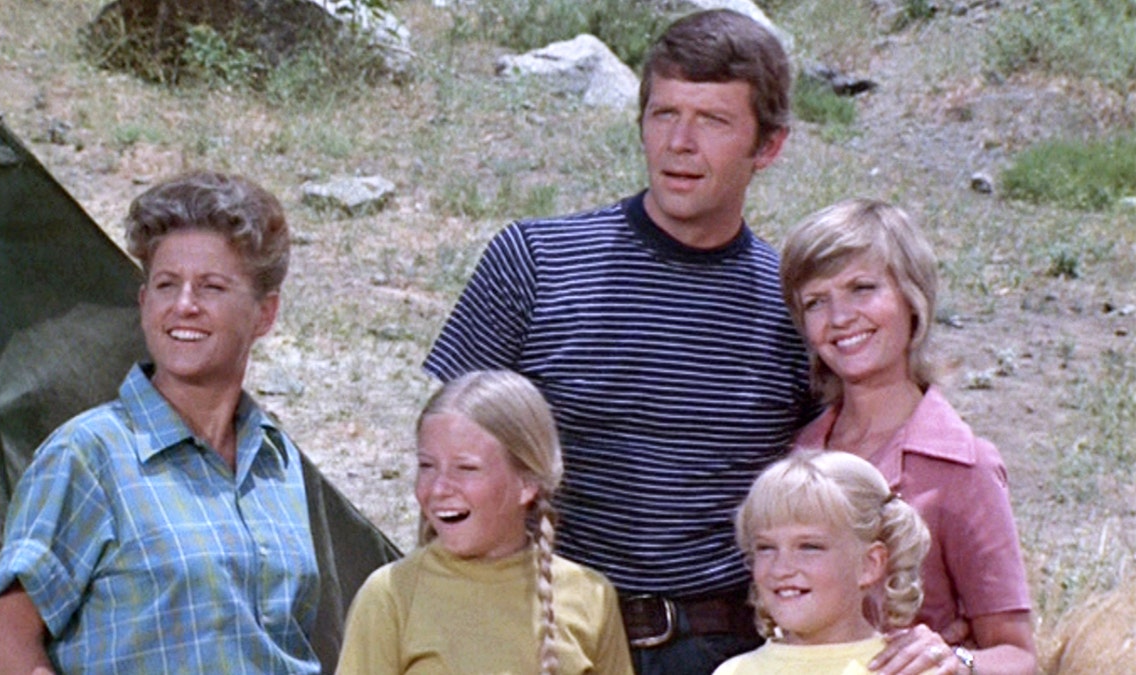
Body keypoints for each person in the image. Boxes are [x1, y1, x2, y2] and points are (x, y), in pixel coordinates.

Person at [422, 9, 815, 674]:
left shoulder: (796, 307)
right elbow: (447, 469)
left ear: (768, 145)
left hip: (724, 646)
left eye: (713, 120)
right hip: (544, 631)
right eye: (664, 114)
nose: (679, 143)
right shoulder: (535, 261)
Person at [0, 171, 322, 674]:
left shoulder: (277, 460)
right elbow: (6, 643)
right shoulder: (89, 454)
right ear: (144, 306)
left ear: (264, 315)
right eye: (166, 285)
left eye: (211, 286)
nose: (184, 305)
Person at [779, 198, 1038, 675]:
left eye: (862, 289)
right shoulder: (799, 457)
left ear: (911, 299)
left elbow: (1018, 655)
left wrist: (955, 661)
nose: (840, 317)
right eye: (816, 301)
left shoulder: (963, 467)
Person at [335, 370, 633, 675]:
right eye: (427, 466)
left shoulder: (592, 597)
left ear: (527, 483)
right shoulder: (390, 596)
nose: (438, 488)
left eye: (466, 468)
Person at [713, 450, 934, 675]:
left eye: (809, 547)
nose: (781, 569)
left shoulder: (910, 668)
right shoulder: (733, 671)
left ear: (869, 564)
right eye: (766, 548)